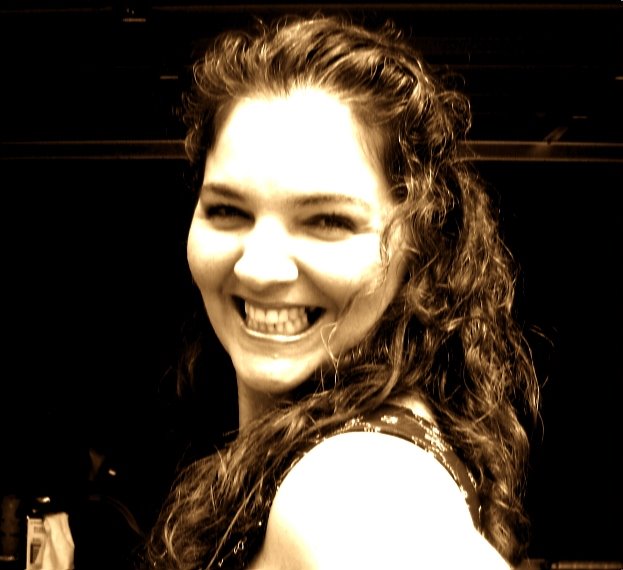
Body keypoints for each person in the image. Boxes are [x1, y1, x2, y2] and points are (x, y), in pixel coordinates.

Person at [143, 13, 540, 570]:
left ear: (421, 242)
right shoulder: (304, 440)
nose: (258, 268)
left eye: (327, 221)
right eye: (227, 210)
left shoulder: (350, 484)